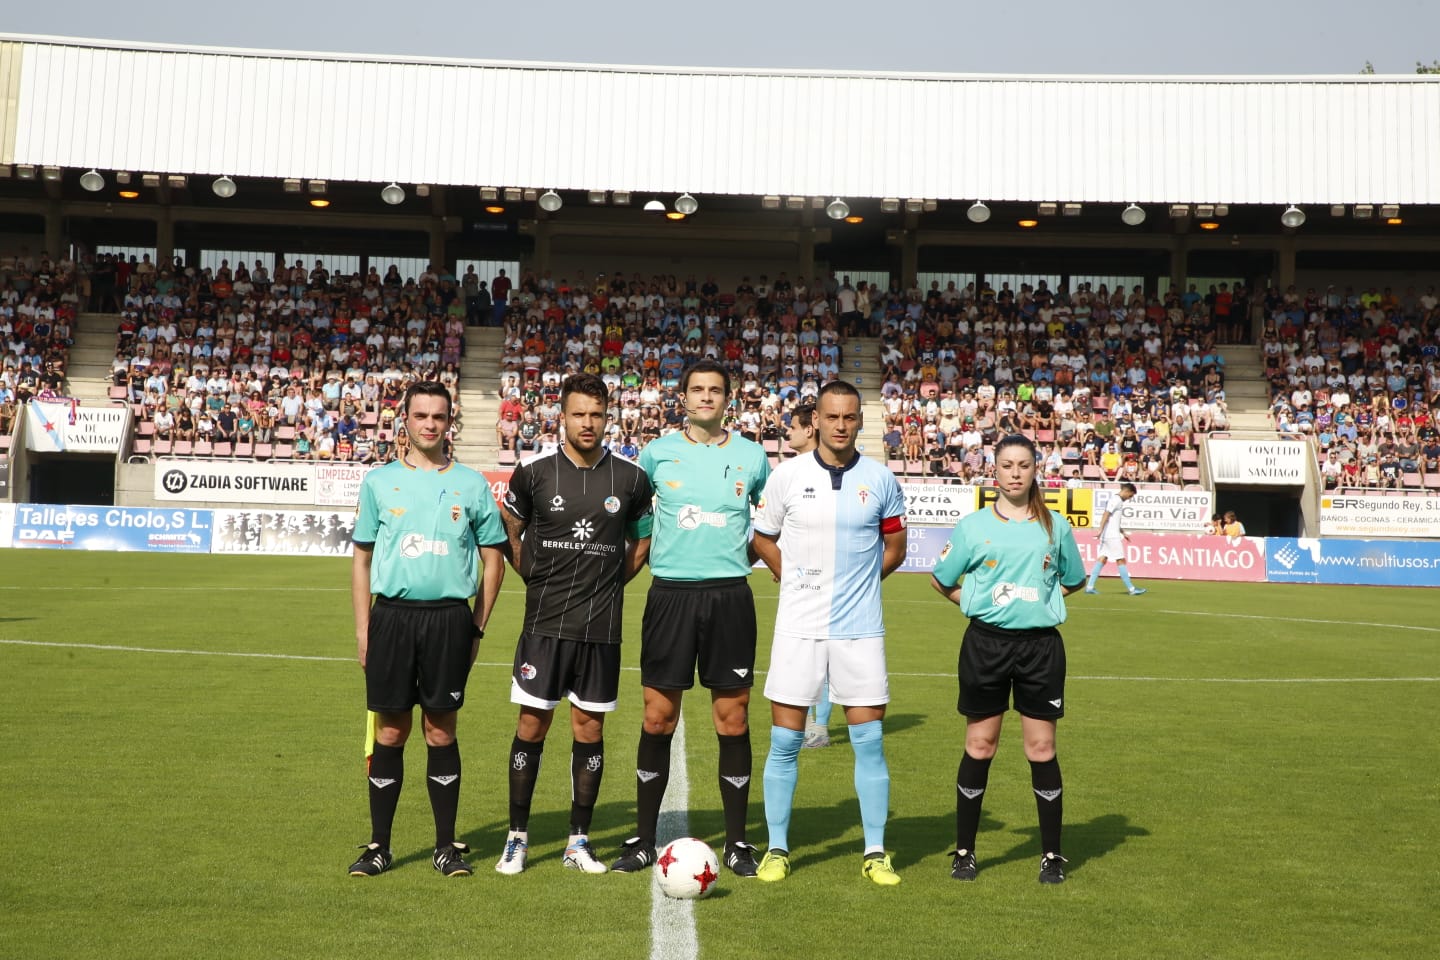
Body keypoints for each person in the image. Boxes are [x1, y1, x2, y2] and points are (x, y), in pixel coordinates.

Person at [611, 359, 771, 878]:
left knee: (734, 718)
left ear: (730, 399)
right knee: (658, 716)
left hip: (729, 599)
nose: (706, 397)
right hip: (670, 597)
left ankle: (740, 842)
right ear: (683, 398)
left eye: (715, 390)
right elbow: (636, 523)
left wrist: (744, 561)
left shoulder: (753, 456)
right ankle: (641, 838)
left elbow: (770, 523)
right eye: (698, 390)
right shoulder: (655, 454)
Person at [495, 373, 654, 876]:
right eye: (579, 414)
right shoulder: (534, 472)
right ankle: (517, 838)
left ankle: (578, 841)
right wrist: (531, 573)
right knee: (531, 726)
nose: (588, 423)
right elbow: (510, 528)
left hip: (601, 628)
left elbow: (643, 542)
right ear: (561, 417)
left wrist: (610, 584)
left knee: (589, 730)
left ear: (609, 417)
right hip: (543, 625)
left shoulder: (630, 478)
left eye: (597, 414)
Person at [751, 380, 909, 886]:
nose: (841, 426)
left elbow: (896, 548)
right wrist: (789, 574)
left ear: (860, 421)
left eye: (849, 417)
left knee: (869, 741)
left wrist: (859, 587)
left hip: (860, 631)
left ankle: (876, 851)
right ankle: (776, 848)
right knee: (783, 742)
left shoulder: (882, 480)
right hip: (798, 627)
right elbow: (763, 537)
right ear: (815, 420)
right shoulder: (787, 477)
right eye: (832, 417)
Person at [348, 381, 507, 878]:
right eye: (421, 416)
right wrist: (362, 630)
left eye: (439, 416)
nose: (430, 424)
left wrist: (477, 625)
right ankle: (379, 846)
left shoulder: (472, 484)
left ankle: (445, 847)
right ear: (406, 420)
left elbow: (493, 555)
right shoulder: (378, 482)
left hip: (448, 620)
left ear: (449, 423)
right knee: (390, 730)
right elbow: (362, 557)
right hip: (391, 617)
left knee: (440, 729)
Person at [929, 433, 1087, 885]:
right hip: (986, 645)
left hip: (1040, 648)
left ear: (1036, 470)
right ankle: (964, 851)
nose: (1015, 473)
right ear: (993, 472)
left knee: (1041, 748)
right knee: (980, 745)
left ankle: (1052, 855)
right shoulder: (973, 526)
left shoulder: (1056, 528)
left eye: (1023, 465)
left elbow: (1073, 580)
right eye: (1006, 466)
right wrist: (974, 602)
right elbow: (941, 581)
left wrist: (1041, 602)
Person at [783, 402, 833, 750]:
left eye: (792, 426)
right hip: (799, 576)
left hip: (826, 579)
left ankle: (820, 727)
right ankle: (810, 723)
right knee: (802, 651)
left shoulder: (829, 470)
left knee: (824, 653)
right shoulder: (792, 470)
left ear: (809, 429)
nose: (787, 431)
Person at [1083, 482, 1147, 595]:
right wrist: (1100, 530)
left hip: (1107, 535)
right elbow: (1106, 514)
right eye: (1130, 495)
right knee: (1120, 560)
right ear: (1127, 491)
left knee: (1102, 559)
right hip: (1111, 536)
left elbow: (1113, 520)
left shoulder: (1117, 500)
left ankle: (1089, 586)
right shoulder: (1116, 500)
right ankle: (1131, 589)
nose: (1129, 498)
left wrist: (1122, 532)